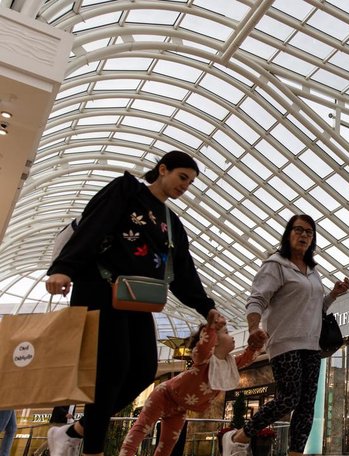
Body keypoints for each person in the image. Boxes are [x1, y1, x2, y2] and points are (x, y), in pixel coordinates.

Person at [45, 151, 223, 456]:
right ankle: (92, 450)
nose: (185, 186)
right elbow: (94, 225)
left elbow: (183, 271)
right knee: (112, 370)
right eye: (182, 177)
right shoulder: (126, 190)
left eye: (190, 182)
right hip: (101, 288)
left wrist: (206, 306)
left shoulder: (172, 222)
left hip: (137, 299)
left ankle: (76, 431)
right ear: (162, 169)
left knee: (143, 369)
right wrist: (64, 268)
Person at [221, 214, 349, 456]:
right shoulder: (276, 264)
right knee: (289, 398)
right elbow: (256, 299)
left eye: (309, 232)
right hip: (284, 342)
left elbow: (316, 309)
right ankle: (239, 436)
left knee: (306, 405)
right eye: (298, 230)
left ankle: (296, 453)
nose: (304, 235)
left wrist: (333, 295)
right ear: (288, 234)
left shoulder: (313, 271)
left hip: (312, 344)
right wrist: (253, 328)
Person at [119, 312, 264, 456]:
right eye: (226, 332)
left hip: (180, 408)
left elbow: (247, 358)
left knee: (168, 444)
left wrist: (256, 344)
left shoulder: (229, 364)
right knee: (141, 429)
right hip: (163, 396)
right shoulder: (203, 359)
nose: (232, 337)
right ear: (215, 341)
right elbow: (203, 348)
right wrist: (211, 328)